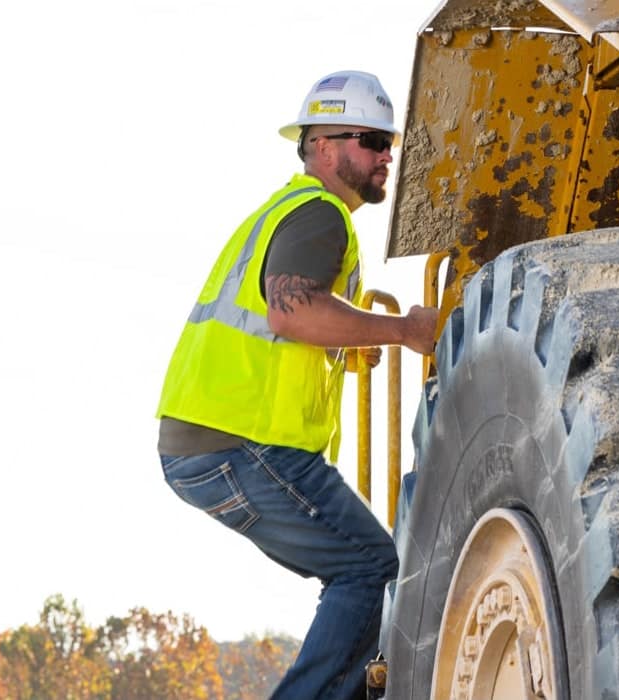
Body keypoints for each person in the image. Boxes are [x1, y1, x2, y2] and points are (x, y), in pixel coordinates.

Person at [155, 70, 437, 699]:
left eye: (388, 140)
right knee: (369, 567)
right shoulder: (318, 215)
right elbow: (293, 313)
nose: (386, 153)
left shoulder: (292, 212)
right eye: (369, 139)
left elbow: (295, 326)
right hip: (241, 443)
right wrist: (402, 331)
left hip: (214, 444)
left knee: (361, 570)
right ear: (323, 147)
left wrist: (353, 345)